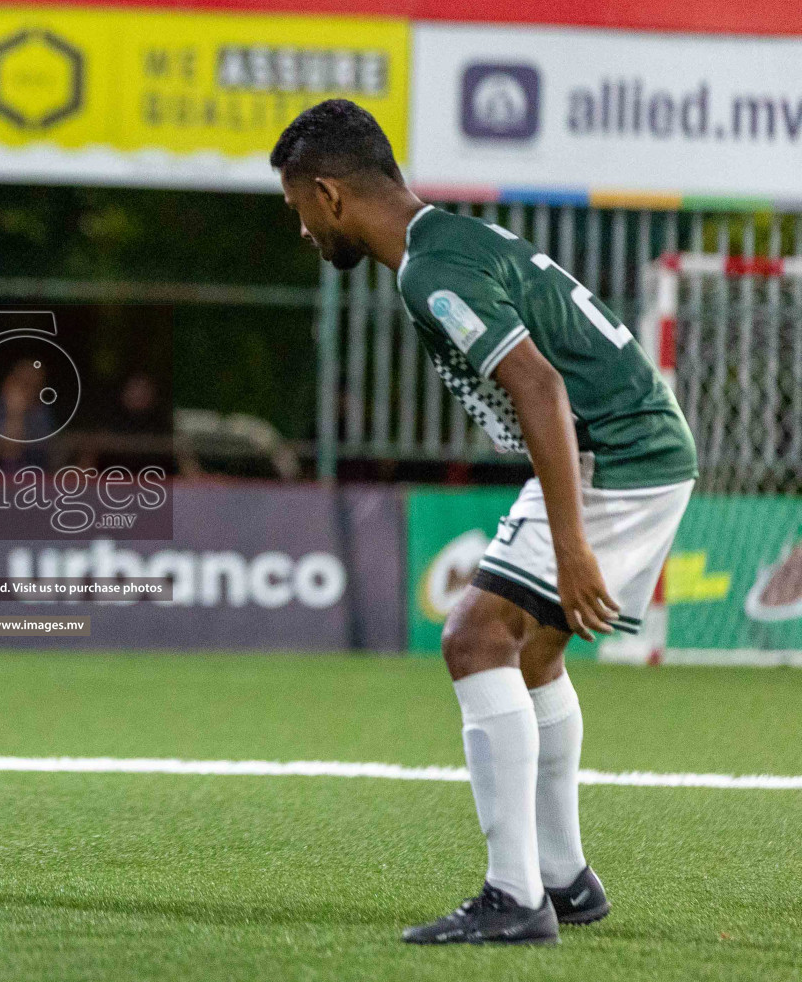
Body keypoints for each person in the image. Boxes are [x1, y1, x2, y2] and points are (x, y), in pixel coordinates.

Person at [272, 100, 697, 945]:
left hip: (613, 455)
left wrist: (571, 545)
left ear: (329, 195)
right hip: (639, 447)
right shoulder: (450, 241)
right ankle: (565, 877)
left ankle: (516, 895)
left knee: (473, 640)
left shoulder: (431, 272)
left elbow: (539, 386)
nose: (303, 231)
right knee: (530, 653)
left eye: (296, 210)